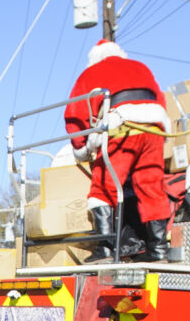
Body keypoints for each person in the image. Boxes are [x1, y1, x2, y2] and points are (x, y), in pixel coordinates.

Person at [63, 39, 173, 262]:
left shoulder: (91, 73)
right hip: (153, 128)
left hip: (121, 126)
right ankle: (159, 249)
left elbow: (75, 113)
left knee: (104, 186)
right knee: (151, 186)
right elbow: (160, 99)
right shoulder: (141, 67)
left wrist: (80, 147)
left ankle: (105, 248)